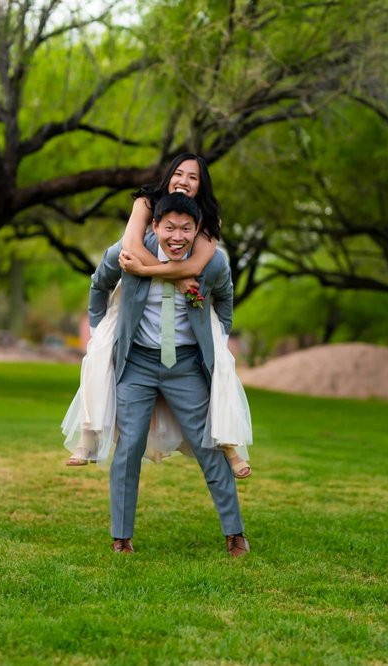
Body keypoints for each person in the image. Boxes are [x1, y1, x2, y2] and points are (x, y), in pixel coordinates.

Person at [61, 154, 252, 478]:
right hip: (137, 306)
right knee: (99, 354)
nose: (184, 181)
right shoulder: (147, 201)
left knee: (221, 364)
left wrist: (151, 271)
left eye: (193, 176)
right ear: (169, 176)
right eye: (178, 173)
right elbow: (131, 246)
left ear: (202, 184)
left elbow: (196, 267)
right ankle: (88, 439)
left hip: (185, 317)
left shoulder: (207, 217)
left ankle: (230, 448)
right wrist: (164, 276)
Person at [88, 191, 248, 556]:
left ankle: (235, 533)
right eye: (170, 228)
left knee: (210, 444)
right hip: (138, 364)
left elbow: (224, 297)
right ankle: (121, 537)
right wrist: (99, 335)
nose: (178, 237)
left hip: (187, 366)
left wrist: (219, 338)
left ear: (197, 231)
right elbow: (99, 284)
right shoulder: (127, 253)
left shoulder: (212, 263)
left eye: (186, 229)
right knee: (128, 446)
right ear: (155, 225)